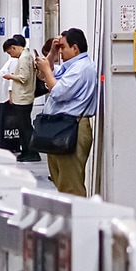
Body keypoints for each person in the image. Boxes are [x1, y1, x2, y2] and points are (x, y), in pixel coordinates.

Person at [34, 27, 98, 196]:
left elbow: (58, 91)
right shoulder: (71, 66)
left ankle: (79, 220)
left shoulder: (82, 68)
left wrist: (47, 70)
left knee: (71, 184)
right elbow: (45, 76)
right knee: (59, 180)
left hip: (72, 127)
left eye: (62, 47)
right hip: (60, 126)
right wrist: (52, 54)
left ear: (75, 48)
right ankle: (68, 219)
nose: (60, 51)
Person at [1, 35, 41, 162]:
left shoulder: (24, 58)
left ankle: (32, 152)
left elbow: (24, 77)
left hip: (23, 98)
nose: (11, 56)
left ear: (14, 47)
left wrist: (10, 77)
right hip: (23, 97)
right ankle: (26, 151)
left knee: (25, 127)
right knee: (22, 126)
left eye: (10, 52)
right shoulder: (26, 56)